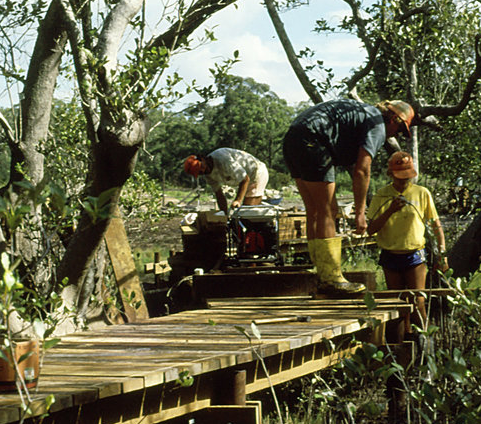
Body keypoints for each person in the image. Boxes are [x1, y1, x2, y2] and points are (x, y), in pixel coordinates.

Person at [282, 97, 415, 296]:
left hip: (293, 138)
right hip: (313, 139)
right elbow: (362, 170)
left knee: (315, 210)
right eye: (400, 130)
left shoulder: (362, 115)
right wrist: (361, 213)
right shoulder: (377, 124)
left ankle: (320, 273)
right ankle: (331, 278)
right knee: (328, 210)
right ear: (393, 120)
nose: (396, 134)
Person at [367, 151, 447, 328]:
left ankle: (425, 345)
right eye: (399, 177)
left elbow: (436, 224)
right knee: (398, 304)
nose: (404, 181)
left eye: (407, 177)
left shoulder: (421, 193)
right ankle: (402, 346)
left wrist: (442, 252)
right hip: (390, 254)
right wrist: (390, 210)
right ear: (391, 175)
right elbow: (370, 230)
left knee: (418, 302)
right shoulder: (382, 195)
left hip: (415, 255)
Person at [183, 148, 269, 214]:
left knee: (248, 213)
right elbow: (219, 194)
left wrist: (238, 200)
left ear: (202, 158)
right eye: (200, 172)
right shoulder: (209, 176)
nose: (203, 170)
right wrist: (224, 215)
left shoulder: (222, 158)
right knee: (242, 215)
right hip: (245, 179)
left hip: (256, 172)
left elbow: (245, 179)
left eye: (201, 166)